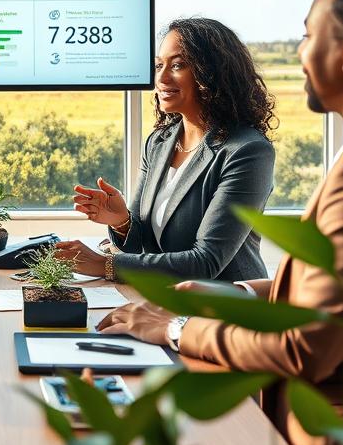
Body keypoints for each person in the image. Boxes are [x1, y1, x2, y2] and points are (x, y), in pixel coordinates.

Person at [96, 0, 343, 445]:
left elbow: (306, 347)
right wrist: (234, 292)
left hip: (342, 435)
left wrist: (174, 327)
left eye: (310, 35)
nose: (300, 52)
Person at [56, 17, 276, 281]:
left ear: (212, 73)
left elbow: (206, 262)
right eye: (159, 65)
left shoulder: (247, 151)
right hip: (167, 300)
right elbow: (144, 245)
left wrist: (105, 264)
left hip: (225, 307)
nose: (161, 77)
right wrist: (122, 221)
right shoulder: (159, 142)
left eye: (178, 65)